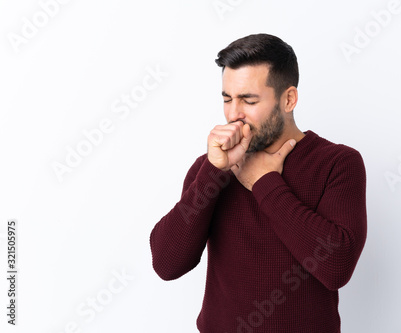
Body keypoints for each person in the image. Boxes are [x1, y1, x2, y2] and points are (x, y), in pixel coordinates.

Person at [150, 33, 367, 333]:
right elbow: (166, 263)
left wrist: (265, 183)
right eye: (227, 99)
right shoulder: (211, 167)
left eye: (249, 100)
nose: (234, 114)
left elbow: (336, 267)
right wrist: (213, 172)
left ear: (288, 99)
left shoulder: (337, 163)